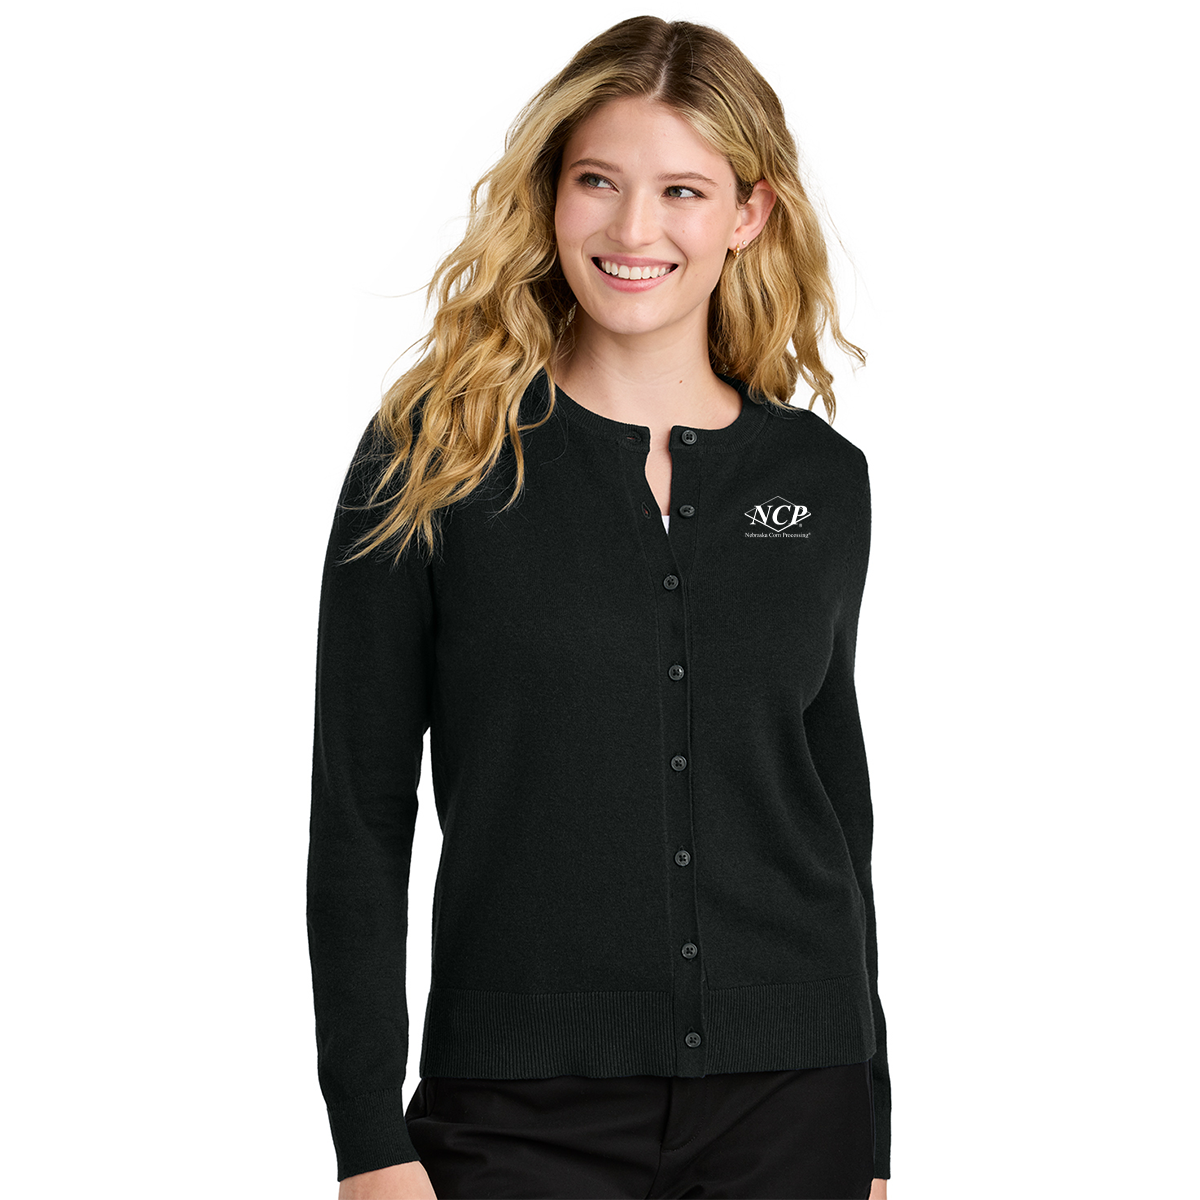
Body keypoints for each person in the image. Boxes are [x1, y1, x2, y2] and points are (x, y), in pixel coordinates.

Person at [307, 15, 892, 1200]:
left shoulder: (821, 481)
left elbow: (837, 804)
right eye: (598, 183)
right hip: (516, 1106)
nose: (634, 231)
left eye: (683, 191)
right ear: (550, 194)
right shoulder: (436, 456)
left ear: (748, 214)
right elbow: (359, 811)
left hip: (797, 1099)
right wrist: (368, 1138)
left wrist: (871, 1125)